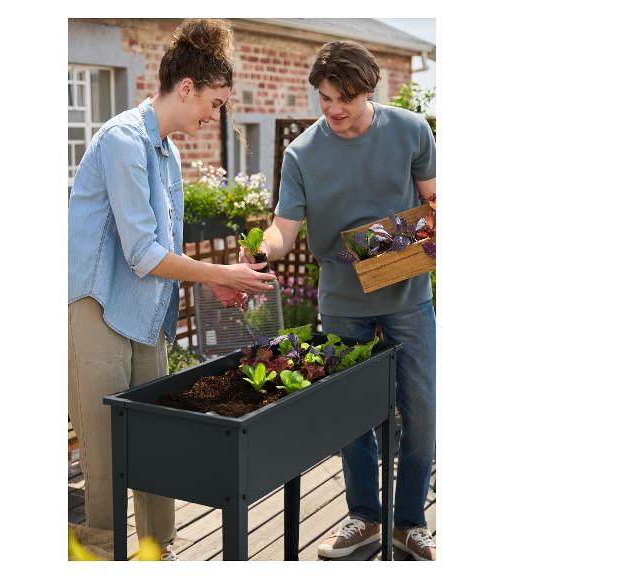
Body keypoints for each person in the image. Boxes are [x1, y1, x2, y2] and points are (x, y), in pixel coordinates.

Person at [68, 18, 276, 561]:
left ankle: (158, 553)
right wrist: (221, 275)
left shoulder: (170, 153)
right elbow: (141, 254)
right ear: (186, 87)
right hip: (99, 307)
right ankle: (102, 556)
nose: (215, 116)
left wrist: (219, 286)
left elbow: (167, 252)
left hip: (145, 311)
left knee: (155, 439)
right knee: (108, 449)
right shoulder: (121, 141)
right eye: (213, 102)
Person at [239, 40, 436, 561]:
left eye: (344, 98)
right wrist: (263, 248)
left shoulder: (412, 131)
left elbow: (436, 201)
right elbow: (284, 230)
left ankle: (410, 522)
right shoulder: (302, 153)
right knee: (351, 415)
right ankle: (364, 518)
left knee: (421, 410)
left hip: (408, 294)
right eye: (325, 98)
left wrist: (408, 237)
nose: (333, 110)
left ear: (368, 89)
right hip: (343, 301)